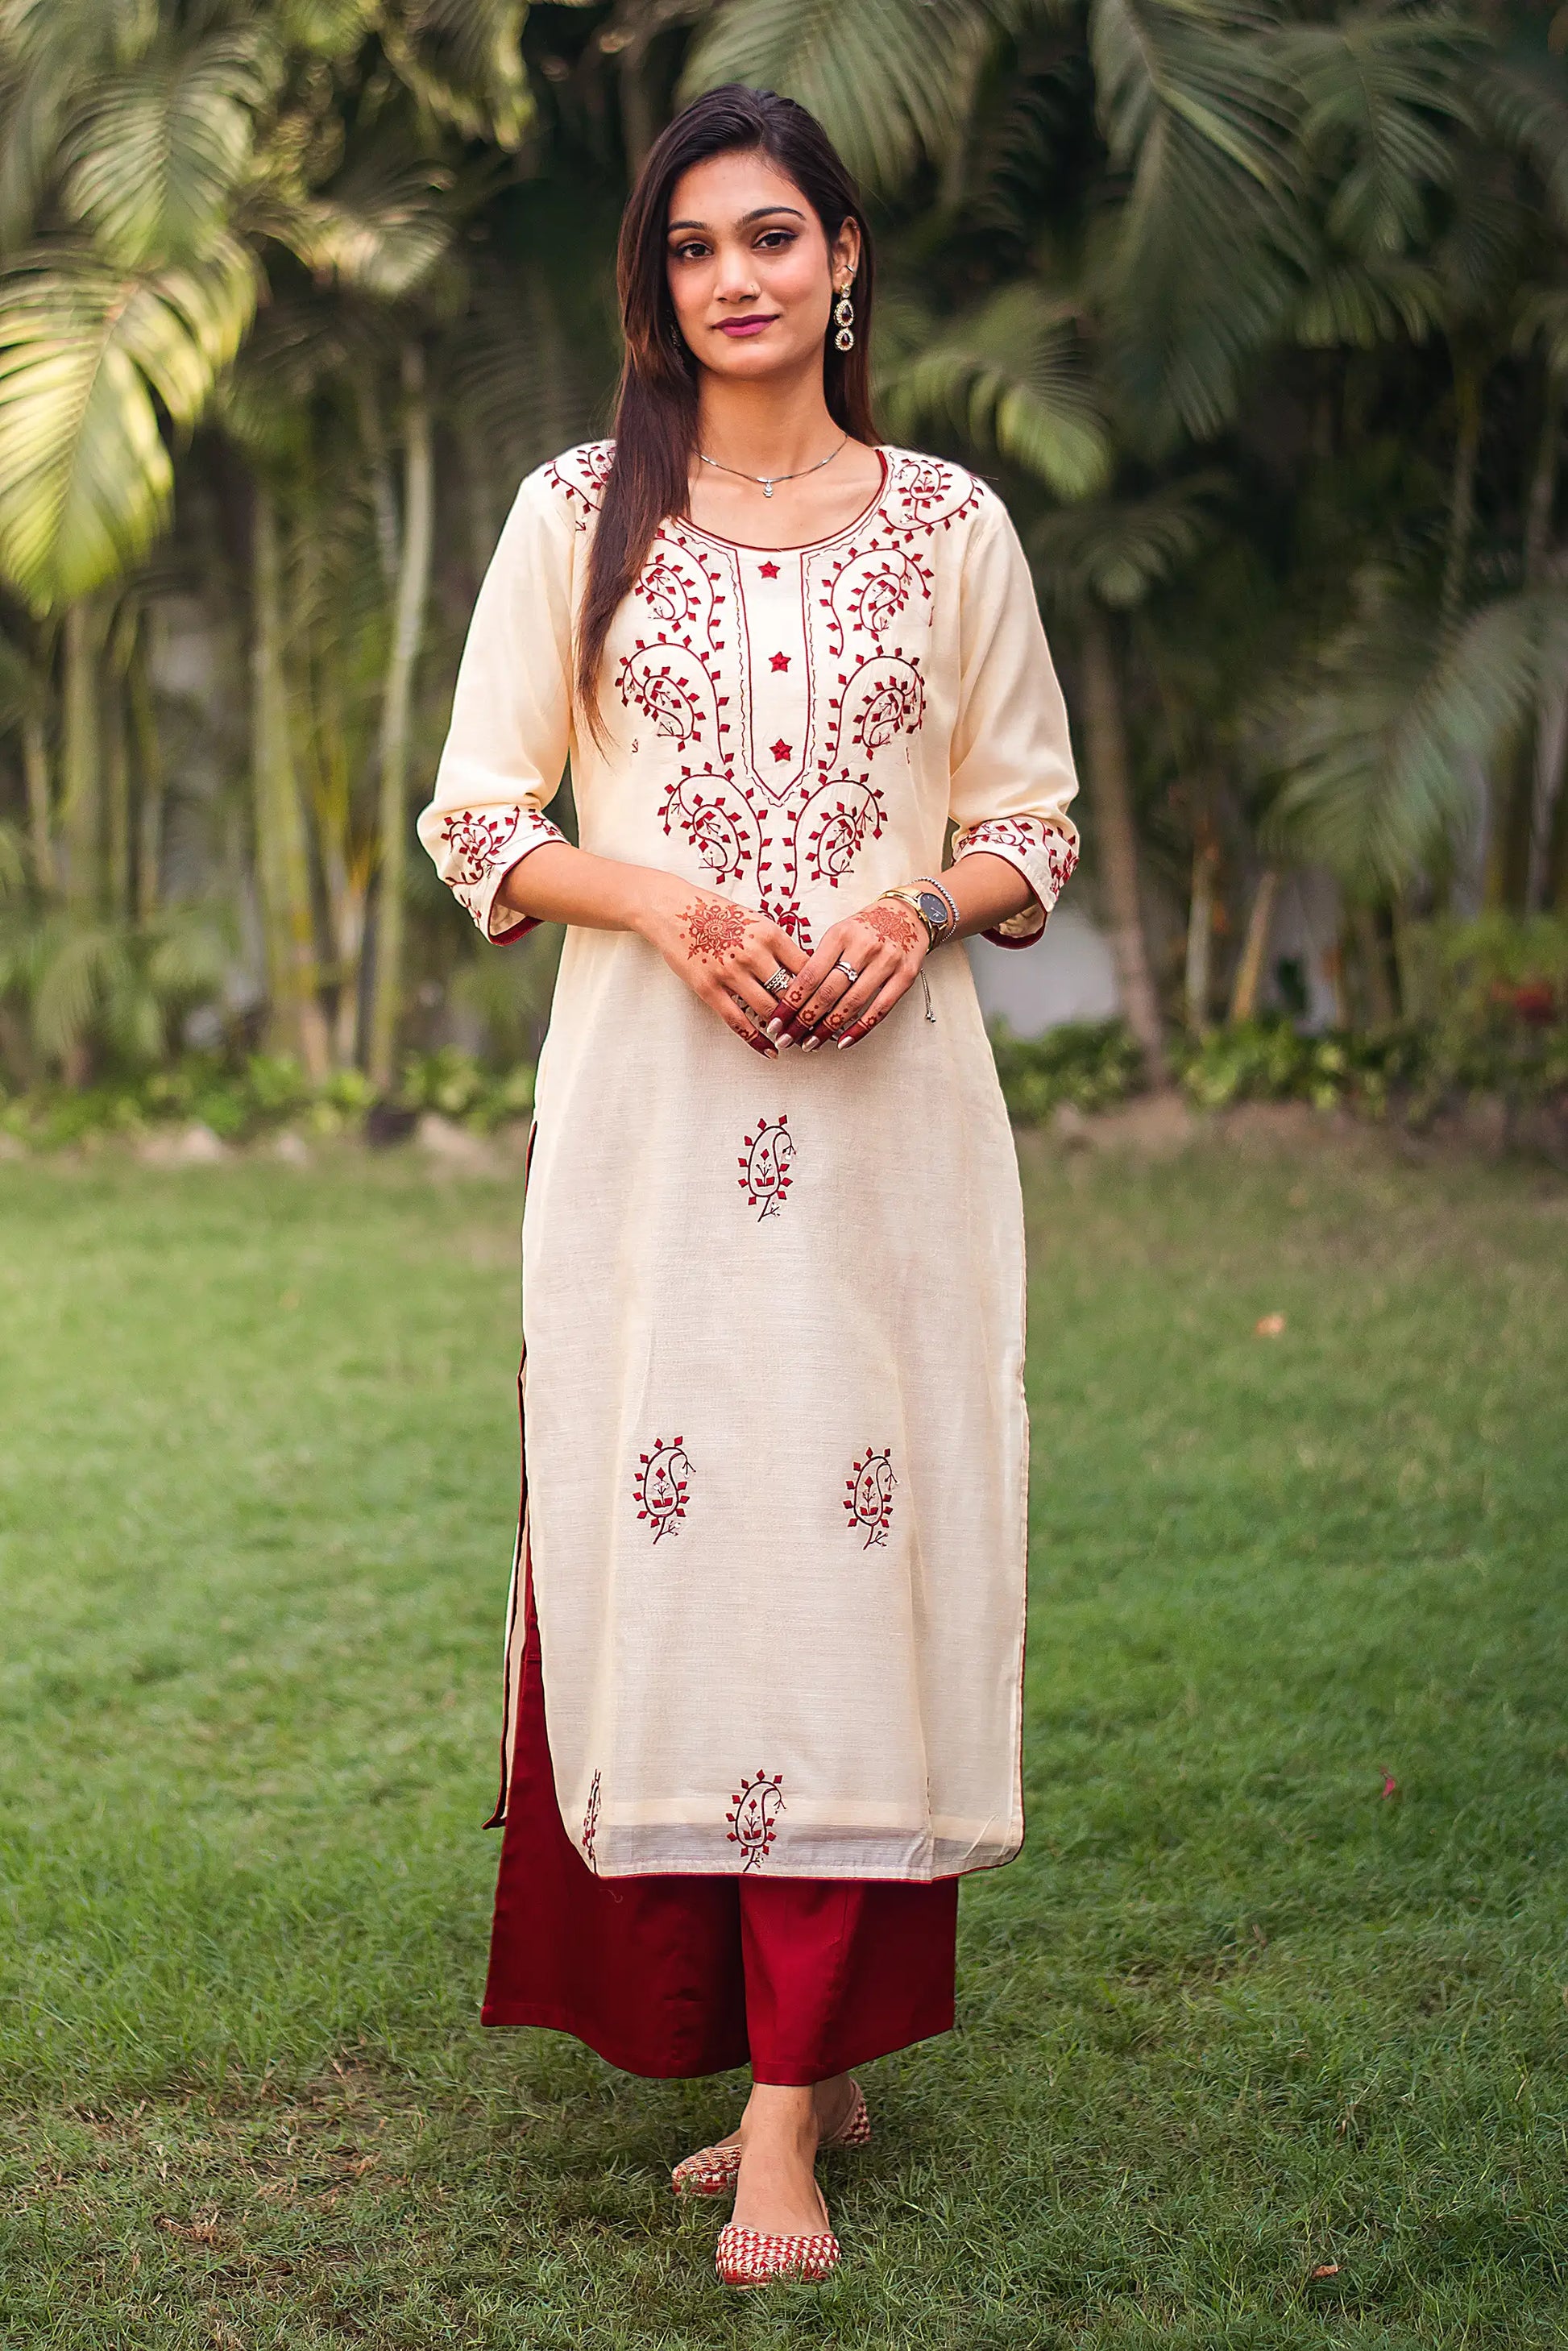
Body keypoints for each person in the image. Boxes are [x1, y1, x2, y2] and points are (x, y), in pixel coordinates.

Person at [417, 81, 1081, 2291]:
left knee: (850, 1556)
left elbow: (1036, 821)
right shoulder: (572, 511)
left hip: (889, 1137)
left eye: (772, 238)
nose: (735, 280)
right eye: (694, 248)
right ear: (656, 281)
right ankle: (784, 2043)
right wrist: (669, 909)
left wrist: (916, 902)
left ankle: (790, 2120)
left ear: (844, 259)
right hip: (653, 1135)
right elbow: (478, 818)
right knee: (685, 1551)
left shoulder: (948, 526)